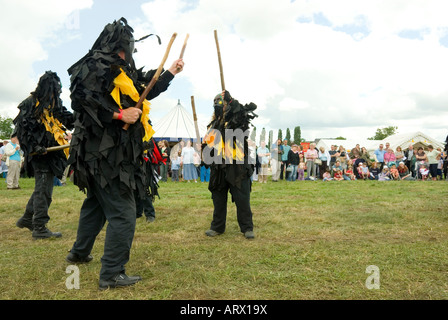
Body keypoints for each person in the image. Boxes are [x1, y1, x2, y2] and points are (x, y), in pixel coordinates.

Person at [65, 18, 184, 290]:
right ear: (119, 46)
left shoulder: (123, 72)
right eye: (126, 49)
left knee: (96, 206)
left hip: (108, 156)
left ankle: (79, 253)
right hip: (104, 155)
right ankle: (111, 273)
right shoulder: (95, 65)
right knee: (123, 213)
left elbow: (145, 88)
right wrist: (119, 114)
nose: (128, 55)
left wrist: (170, 72)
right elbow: (81, 101)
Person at [13, 71, 74, 239]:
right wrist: (34, 146)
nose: (58, 94)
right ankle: (39, 227)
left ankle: (27, 218)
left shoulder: (54, 106)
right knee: (44, 191)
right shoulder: (30, 104)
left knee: (42, 188)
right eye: (55, 91)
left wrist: (84, 116)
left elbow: (68, 119)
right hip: (39, 155)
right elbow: (22, 130)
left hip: (52, 154)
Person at [203, 90, 257, 240]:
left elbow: (241, 116)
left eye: (223, 103)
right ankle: (217, 227)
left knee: (242, 198)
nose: (220, 106)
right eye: (218, 103)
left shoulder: (238, 119)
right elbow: (210, 145)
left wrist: (232, 101)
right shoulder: (213, 124)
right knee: (218, 198)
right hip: (219, 167)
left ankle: (247, 227)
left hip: (237, 165)